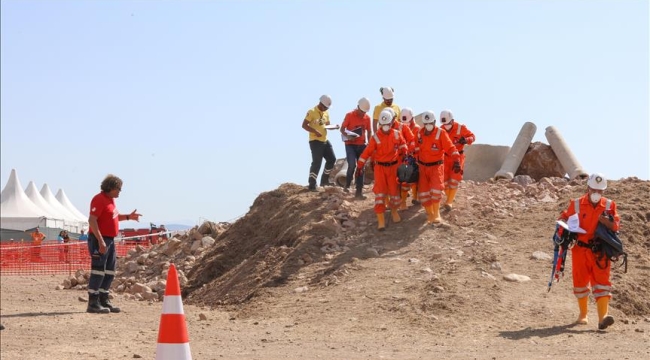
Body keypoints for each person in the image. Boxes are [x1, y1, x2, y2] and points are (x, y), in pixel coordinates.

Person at [558, 173, 619, 330]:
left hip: (600, 252)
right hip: (580, 249)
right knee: (580, 282)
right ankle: (583, 315)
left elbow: (616, 226)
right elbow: (563, 218)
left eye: (600, 190)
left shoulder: (609, 205)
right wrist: (564, 226)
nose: (597, 193)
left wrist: (608, 222)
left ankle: (603, 318)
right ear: (588, 188)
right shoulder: (576, 204)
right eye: (594, 189)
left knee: (602, 283)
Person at [86, 174, 142, 314]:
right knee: (98, 271)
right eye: (118, 189)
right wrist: (100, 241)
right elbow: (92, 220)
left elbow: (113, 217)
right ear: (110, 187)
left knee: (109, 271)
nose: (120, 192)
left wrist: (128, 216)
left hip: (110, 240)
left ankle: (103, 299)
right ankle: (93, 302)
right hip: (100, 239)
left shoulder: (110, 200)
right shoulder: (99, 199)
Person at [357, 109, 408, 231]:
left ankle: (394, 211)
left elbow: (403, 145)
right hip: (380, 168)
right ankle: (381, 222)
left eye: (387, 124)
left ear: (391, 123)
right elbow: (367, 152)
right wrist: (359, 166)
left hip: (393, 167)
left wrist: (405, 154)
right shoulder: (375, 138)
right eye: (383, 125)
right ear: (380, 124)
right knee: (380, 194)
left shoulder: (397, 134)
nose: (385, 127)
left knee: (395, 194)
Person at [414, 111, 460, 224]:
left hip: (436, 167)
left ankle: (436, 213)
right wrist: (412, 159)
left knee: (436, 191)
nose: (428, 126)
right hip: (422, 167)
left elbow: (450, 148)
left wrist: (457, 160)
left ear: (434, 122)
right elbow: (416, 148)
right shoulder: (420, 133)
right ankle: (430, 214)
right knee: (423, 193)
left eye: (430, 123)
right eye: (426, 124)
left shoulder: (441, 133)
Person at [439, 110, 475, 211]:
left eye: (448, 123)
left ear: (452, 120)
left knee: (454, 179)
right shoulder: (441, 130)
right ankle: (449, 197)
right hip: (445, 157)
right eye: (444, 124)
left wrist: (466, 140)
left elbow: (473, 136)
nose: (446, 126)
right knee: (444, 181)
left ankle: (449, 202)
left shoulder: (461, 128)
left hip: (458, 157)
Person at [302, 94, 339, 191]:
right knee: (317, 163)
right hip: (315, 141)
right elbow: (304, 125)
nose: (326, 109)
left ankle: (324, 181)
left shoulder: (326, 113)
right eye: (325, 107)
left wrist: (334, 127)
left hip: (325, 140)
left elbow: (327, 125)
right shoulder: (312, 112)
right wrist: (315, 131)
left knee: (331, 159)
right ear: (321, 104)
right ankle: (312, 184)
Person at [340, 97, 372, 199]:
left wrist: (369, 143)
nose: (363, 114)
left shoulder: (367, 118)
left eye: (365, 112)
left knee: (360, 167)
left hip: (361, 145)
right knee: (352, 165)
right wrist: (348, 136)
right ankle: (347, 184)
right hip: (350, 145)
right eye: (362, 111)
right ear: (358, 107)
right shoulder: (349, 115)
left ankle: (359, 192)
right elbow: (342, 129)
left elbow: (369, 131)